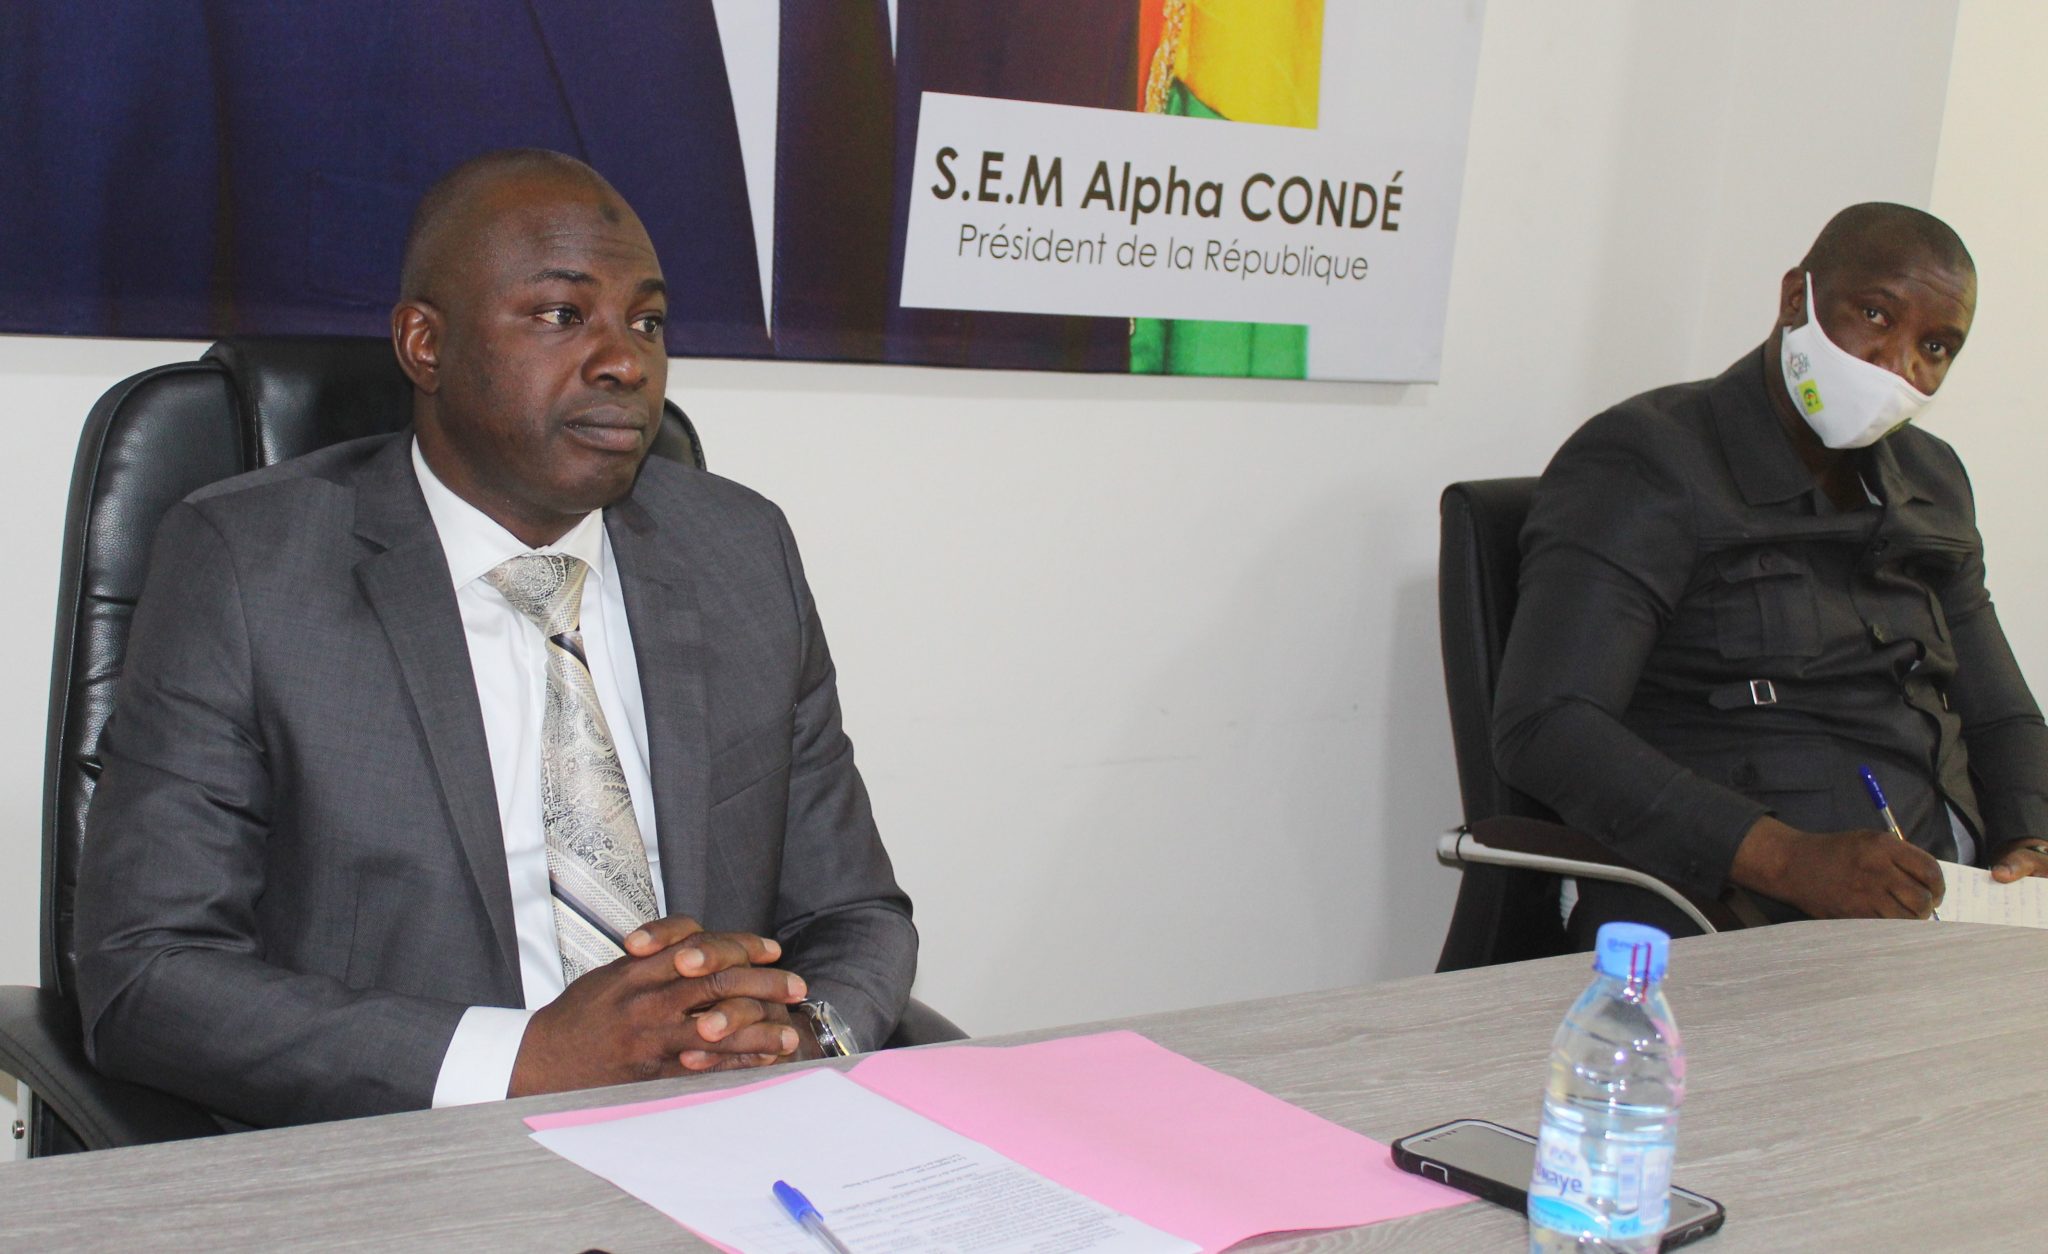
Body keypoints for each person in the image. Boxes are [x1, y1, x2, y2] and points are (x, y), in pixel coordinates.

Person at [72, 149, 916, 1130]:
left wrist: (800, 1036)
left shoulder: (738, 551)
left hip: (716, 1136)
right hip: (407, 1149)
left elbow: (854, 915)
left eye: (647, 322)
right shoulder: (248, 566)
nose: (625, 361)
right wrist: (527, 1060)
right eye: (562, 315)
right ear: (425, 345)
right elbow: (147, 975)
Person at [1493, 202, 2048, 944]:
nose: (1899, 366)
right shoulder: (1647, 461)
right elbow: (1547, 725)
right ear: (1797, 299)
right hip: (1738, 904)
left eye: (1935, 346)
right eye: (1875, 315)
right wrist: (1789, 860)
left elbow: (2002, 713)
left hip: (1950, 908)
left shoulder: (1931, 479)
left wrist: (2031, 839)